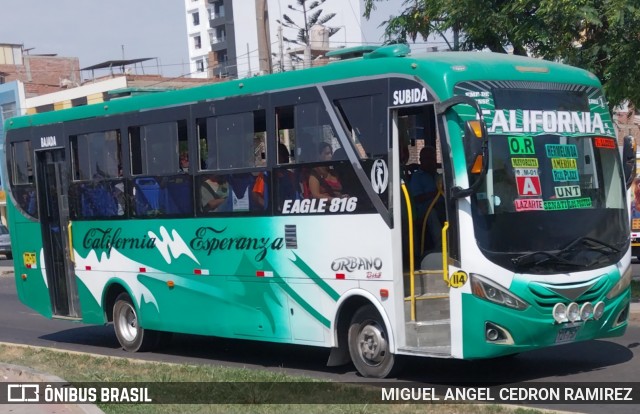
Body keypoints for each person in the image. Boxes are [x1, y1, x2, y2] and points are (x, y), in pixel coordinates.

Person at [408, 146, 443, 252]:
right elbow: (417, 198)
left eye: (432, 159)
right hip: (423, 210)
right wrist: (436, 193)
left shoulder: (438, 176)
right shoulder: (417, 177)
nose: (430, 162)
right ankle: (440, 246)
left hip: (441, 206)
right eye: (427, 159)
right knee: (431, 213)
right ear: (421, 160)